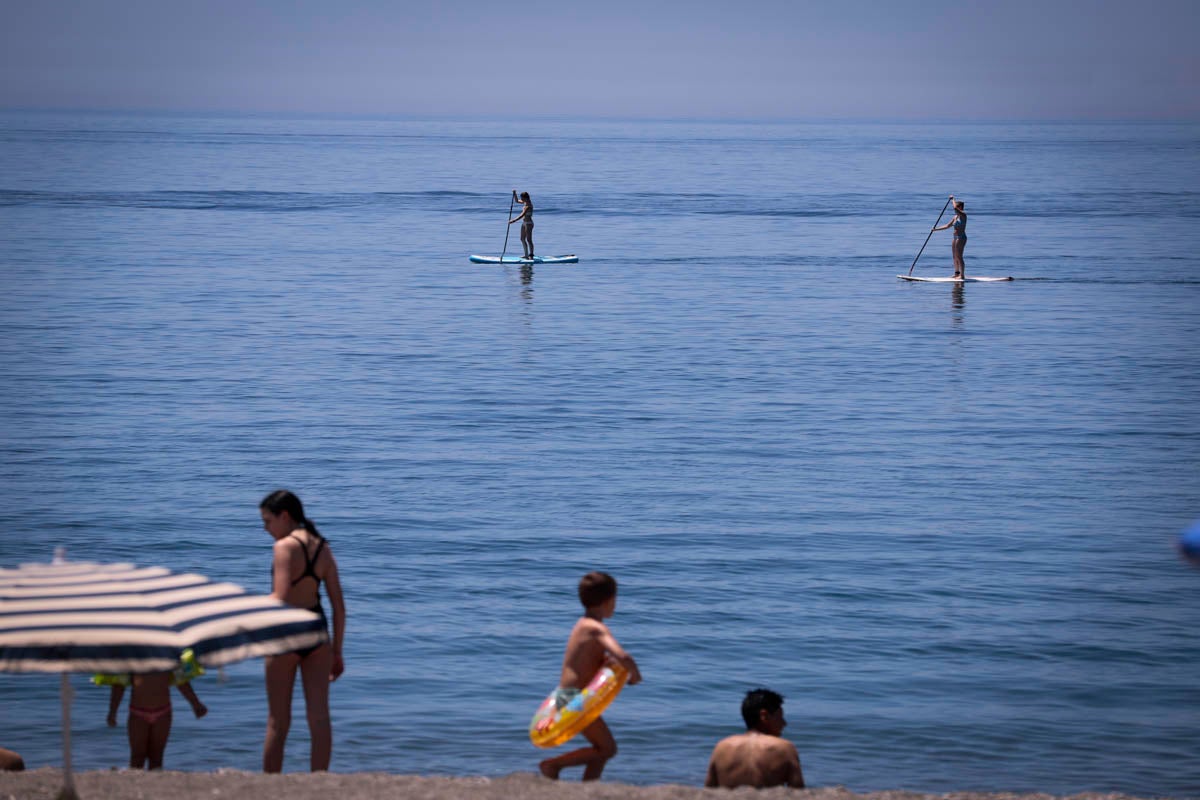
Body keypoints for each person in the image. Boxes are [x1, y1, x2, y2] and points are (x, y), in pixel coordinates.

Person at [259, 489, 346, 773]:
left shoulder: (284, 547)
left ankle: (270, 785)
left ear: (284, 516)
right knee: (319, 717)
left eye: (267, 521)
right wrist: (338, 651)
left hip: (286, 634)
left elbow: (280, 597)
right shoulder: (322, 547)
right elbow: (339, 607)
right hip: (318, 635)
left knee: (278, 721)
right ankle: (319, 782)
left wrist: (242, 606)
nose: (266, 529)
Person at [538, 571, 642, 781]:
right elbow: (623, 656)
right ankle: (552, 765)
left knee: (601, 748)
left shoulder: (581, 624)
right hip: (575, 699)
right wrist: (634, 677)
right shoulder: (596, 628)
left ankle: (589, 785)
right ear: (609, 601)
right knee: (608, 749)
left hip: (567, 696)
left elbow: (589, 661)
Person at [104, 668, 208, 770]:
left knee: (157, 757)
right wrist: (112, 712)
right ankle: (135, 785)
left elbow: (181, 681)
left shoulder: (167, 657)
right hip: (138, 714)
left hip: (162, 713)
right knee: (137, 757)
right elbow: (119, 685)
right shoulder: (134, 657)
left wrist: (195, 704)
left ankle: (153, 786)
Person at [705, 688, 805, 789]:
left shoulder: (722, 747)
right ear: (764, 715)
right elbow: (798, 791)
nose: (784, 723)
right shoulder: (784, 748)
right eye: (780, 717)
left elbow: (709, 790)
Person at [933, 196, 968, 279]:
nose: (955, 209)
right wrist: (935, 229)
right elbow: (947, 226)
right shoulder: (955, 217)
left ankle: (962, 275)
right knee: (954, 256)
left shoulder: (963, 215)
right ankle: (957, 273)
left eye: (957, 207)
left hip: (961, 237)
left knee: (959, 256)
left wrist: (952, 200)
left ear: (960, 208)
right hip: (955, 237)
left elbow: (955, 208)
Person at [509, 190, 534, 259]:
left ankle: (531, 255)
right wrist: (514, 194)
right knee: (522, 238)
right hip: (524, 223)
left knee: (529, 239)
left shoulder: (528, 205)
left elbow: (522, 215)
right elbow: (517, 201)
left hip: (529, 224)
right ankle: (526, 255)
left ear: (526, 198)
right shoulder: (525, 202)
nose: (521, 199)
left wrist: (513, 220)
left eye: (522, 198)